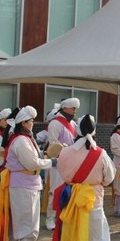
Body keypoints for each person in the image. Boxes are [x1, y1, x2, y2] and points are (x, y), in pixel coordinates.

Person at [55, 114, 116, 241]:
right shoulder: (100, 153)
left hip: (72, 201)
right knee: (99, 240)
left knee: (72, 239)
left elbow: (62, 173)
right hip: (93, 201)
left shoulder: (65, 152)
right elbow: (109, 178)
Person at [0, 106, 55, 241]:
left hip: (24, 183)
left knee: (19, 222)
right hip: (24, 184)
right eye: (31, 121)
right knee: (27, 222)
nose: (33, 123)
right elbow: (31, 163)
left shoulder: (22, 138)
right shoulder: (21, 140)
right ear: (23, 122)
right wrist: (51, 162)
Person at [46, 97, 80, 230]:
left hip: (70, 161)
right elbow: (52, 143)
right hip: (58, 161)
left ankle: (64, 215)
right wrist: (63, 147)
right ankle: (50, 217)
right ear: (65, 108)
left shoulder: (72, 124)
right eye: (73, 108)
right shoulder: (55, 123)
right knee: (55, 190)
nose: (75, 111)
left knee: (68, 189)